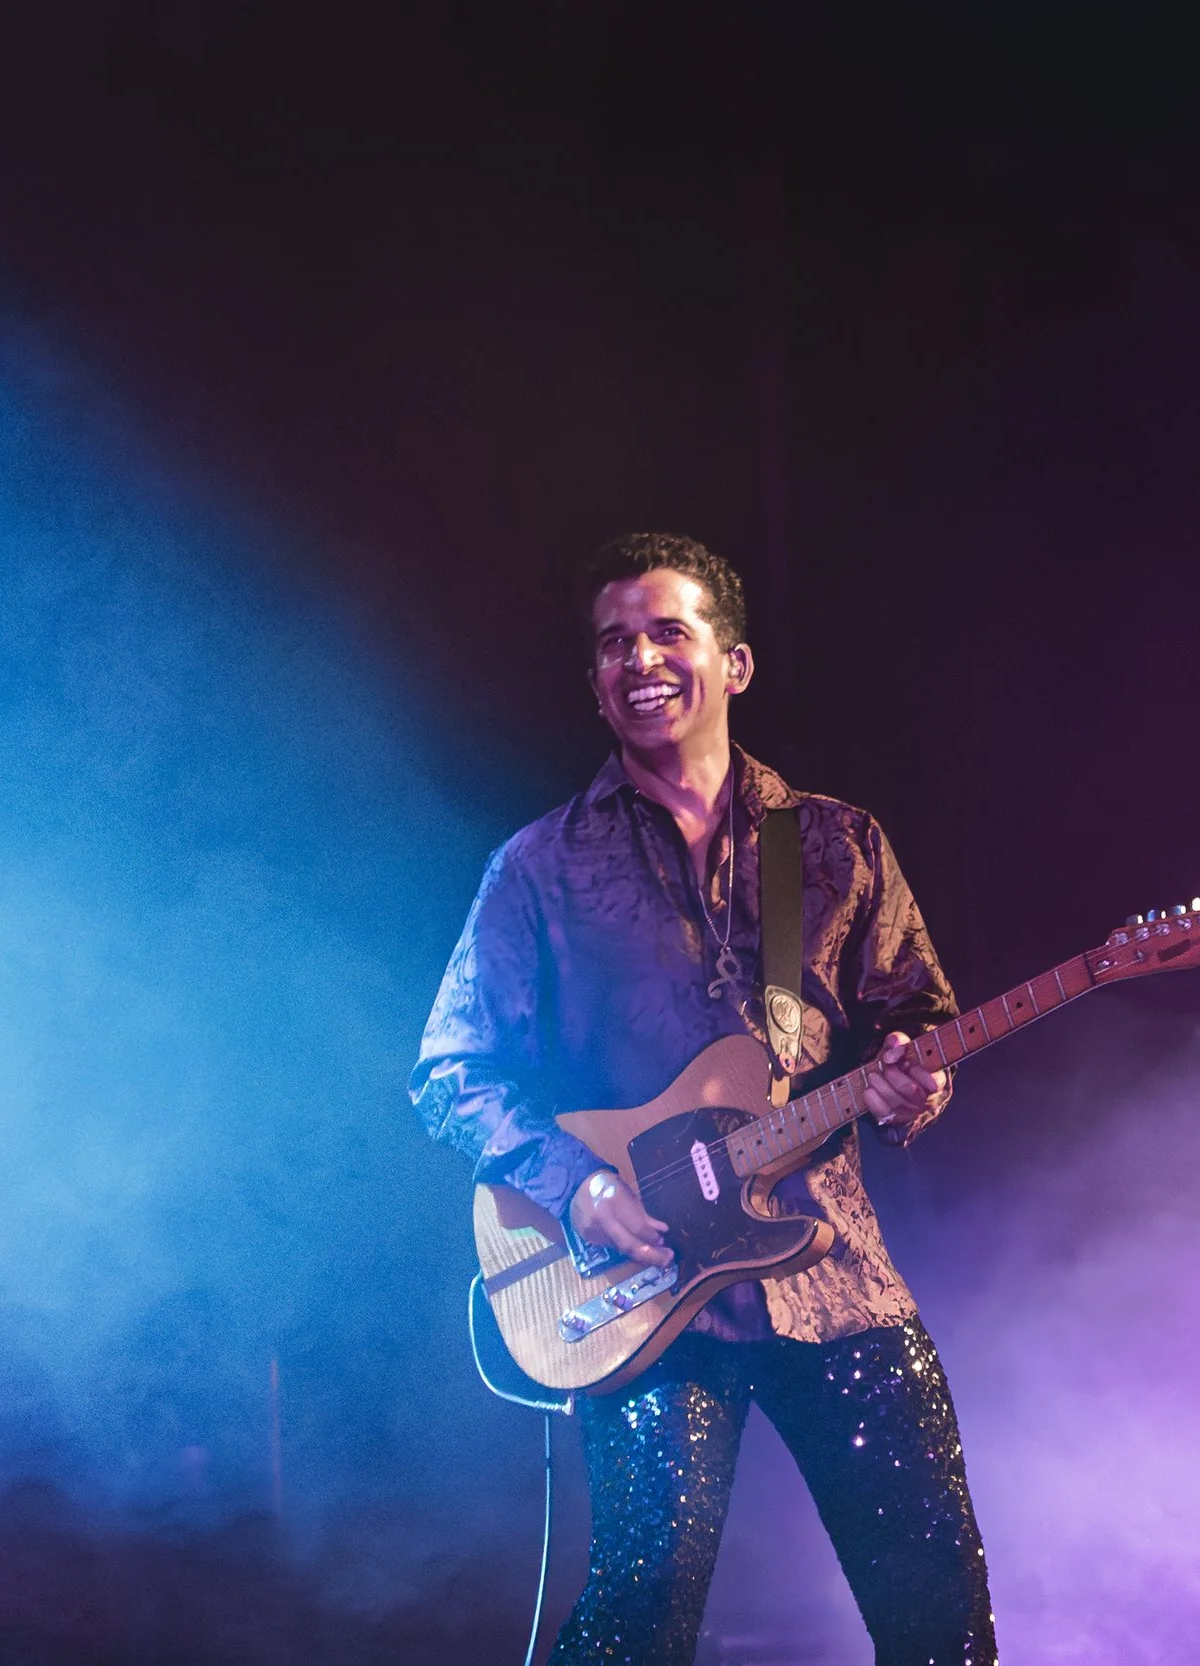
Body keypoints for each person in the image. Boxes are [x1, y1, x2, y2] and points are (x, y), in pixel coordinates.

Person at [411, 533, 997, 1665]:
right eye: (613, 643)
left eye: (667, 631)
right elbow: (451, 1069)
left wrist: (916, 1081)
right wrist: (576, 1190)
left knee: (938, 1608)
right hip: (638, 1292)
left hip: (833, 1275)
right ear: (593, 683)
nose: (639, 658)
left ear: (733, 662)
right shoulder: (538, 868)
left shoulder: (833, 844)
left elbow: (914, 1015)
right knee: (640, 1620)